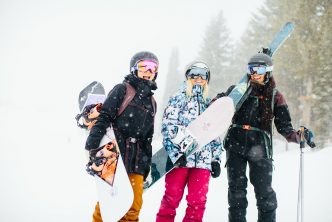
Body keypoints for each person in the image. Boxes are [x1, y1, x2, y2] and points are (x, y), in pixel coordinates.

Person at [220, 53, 315, 222]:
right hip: (235, 145)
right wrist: (218, 102)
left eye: (260, 69)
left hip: (260, 148)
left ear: (268, 71)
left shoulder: (275, 96)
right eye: (251, 69)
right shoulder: (237, 90)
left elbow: (285, 128)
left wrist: (300, 136)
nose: (255, 73)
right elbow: (218, 108)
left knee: (265, 193)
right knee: (236, 193)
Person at [85, 51, 159, 222]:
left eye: (152, 67)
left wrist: (146, 164)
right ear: (134, 69)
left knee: (134, 206)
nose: (148, 70)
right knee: (110, 203)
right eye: (144, 66)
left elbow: (148, 136)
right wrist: (93, 145)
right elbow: (105, 116)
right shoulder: (122, 89)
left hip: (137, 159)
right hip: (115, 154)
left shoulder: (152, 102)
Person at [156, 61, 223, 222]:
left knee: (198, 202)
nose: (198, 78)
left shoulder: (209, 104)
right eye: (194, 74)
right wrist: (176, 153)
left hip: (203, 162)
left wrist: (216, 159)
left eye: (203, 75)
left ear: (207, 79)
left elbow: (215, 133)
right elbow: (168, 127)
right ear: (188, 77)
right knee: (171, 199)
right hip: (180, 160)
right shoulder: (178, 98)